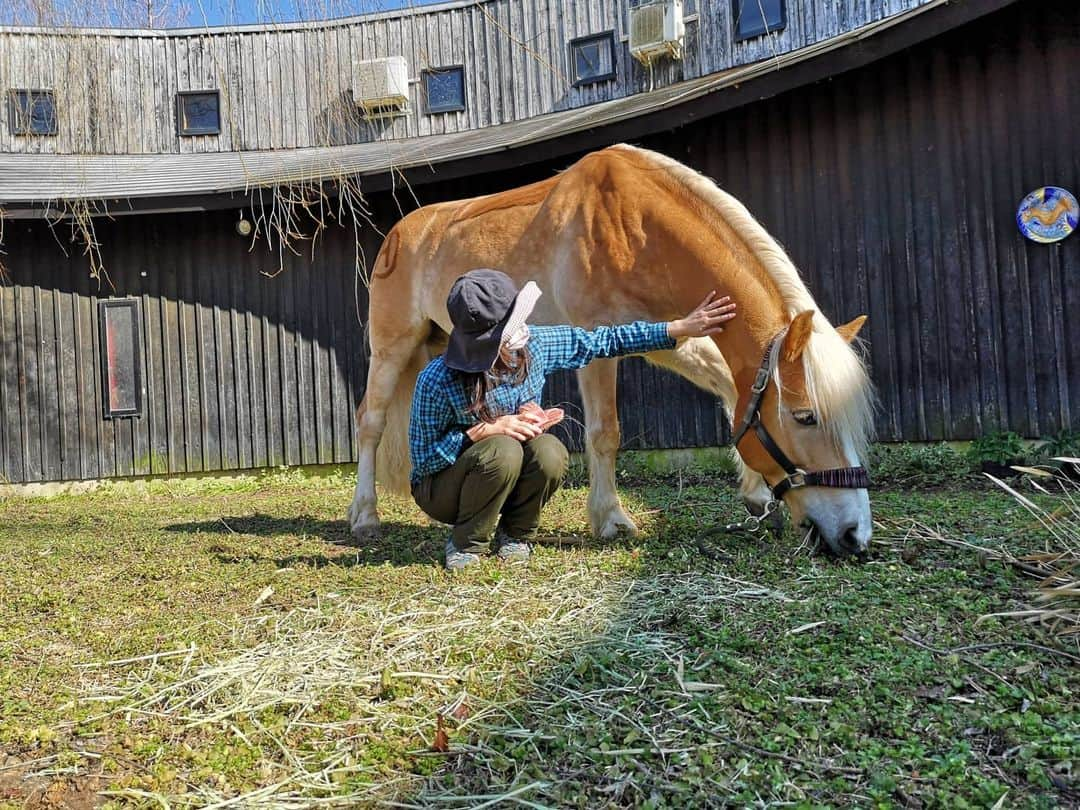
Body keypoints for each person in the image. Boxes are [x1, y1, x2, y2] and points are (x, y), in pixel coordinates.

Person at [409, 269, 737, 570]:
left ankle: (516, 535)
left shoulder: (534, 346)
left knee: (549, 450)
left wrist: (677, 328)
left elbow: (603, 341)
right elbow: (423, 461)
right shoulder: (438, 380)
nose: (522, 330)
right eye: (512, 327)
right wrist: (480, 432)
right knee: (502, 450)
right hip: (444, 489)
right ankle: (467, 544)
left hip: (498, 472)